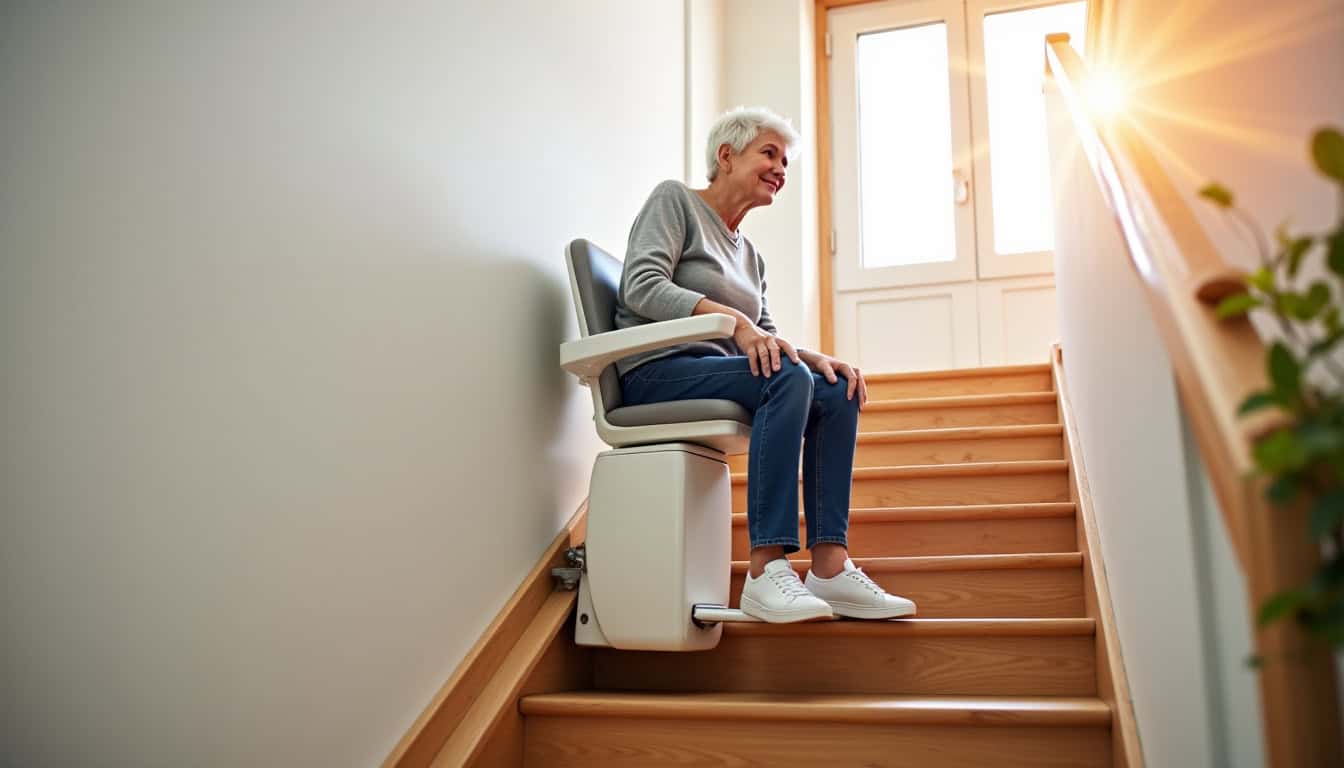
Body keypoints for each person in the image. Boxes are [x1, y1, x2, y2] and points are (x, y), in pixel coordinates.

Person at [614, 106, 917, 623]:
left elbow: (766, 336)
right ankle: (764, 568)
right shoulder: (675, 201)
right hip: (657, 371)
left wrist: (818, 358)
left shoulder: (751, 256)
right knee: (786, 376)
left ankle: (830, 567)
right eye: (769, 154)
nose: (780, 168)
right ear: (726, 156)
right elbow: (641, 286)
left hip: (719, 373)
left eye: (785, 162)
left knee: (834, 389)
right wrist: (736, 322)